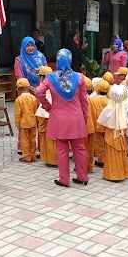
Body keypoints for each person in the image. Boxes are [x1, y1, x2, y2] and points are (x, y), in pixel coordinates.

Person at [36, 49, 89, 187]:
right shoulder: (80, 77)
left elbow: (39, 91)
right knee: (79, 148)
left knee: (62, 149)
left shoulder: (50, 77)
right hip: (76, 118)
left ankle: (64, 179)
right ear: (70, 60)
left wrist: (48, 106)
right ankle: (82, 177)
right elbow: (84, 100)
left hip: (58, 119)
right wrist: (85, 117)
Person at [97, 85, 128, 182]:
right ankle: (122, 172)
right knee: (121, 153)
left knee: (112, 154)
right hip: (121, 132)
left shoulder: (109, 107)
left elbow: (101, 120)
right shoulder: (122, 106)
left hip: (111, 133)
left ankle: (113, 175)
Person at [35, 66, 57, 167]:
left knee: (49, 140)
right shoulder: (56, 87)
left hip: (47, 118)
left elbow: (42, 112)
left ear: (42, 78)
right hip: (57, 117)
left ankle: (51, 160)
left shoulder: (44, 91)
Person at [15, 78, 39, 163]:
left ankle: (26, 157)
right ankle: (33, 156)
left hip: (23, 123)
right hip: (33, 122)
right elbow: (36, 110)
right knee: (32, 139)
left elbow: (18, 113)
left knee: (24, 141)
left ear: (19, 89)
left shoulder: (18, 99)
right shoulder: (33, 98)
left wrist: (17, 123)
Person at [89, 79, 110, 168]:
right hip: (107, 125)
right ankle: (108, 158)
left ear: (97, 90)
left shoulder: (94, 100)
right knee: (106, 142)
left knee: (98, 142)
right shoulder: (109, 100)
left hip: (98, 124)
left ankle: (101, 159)